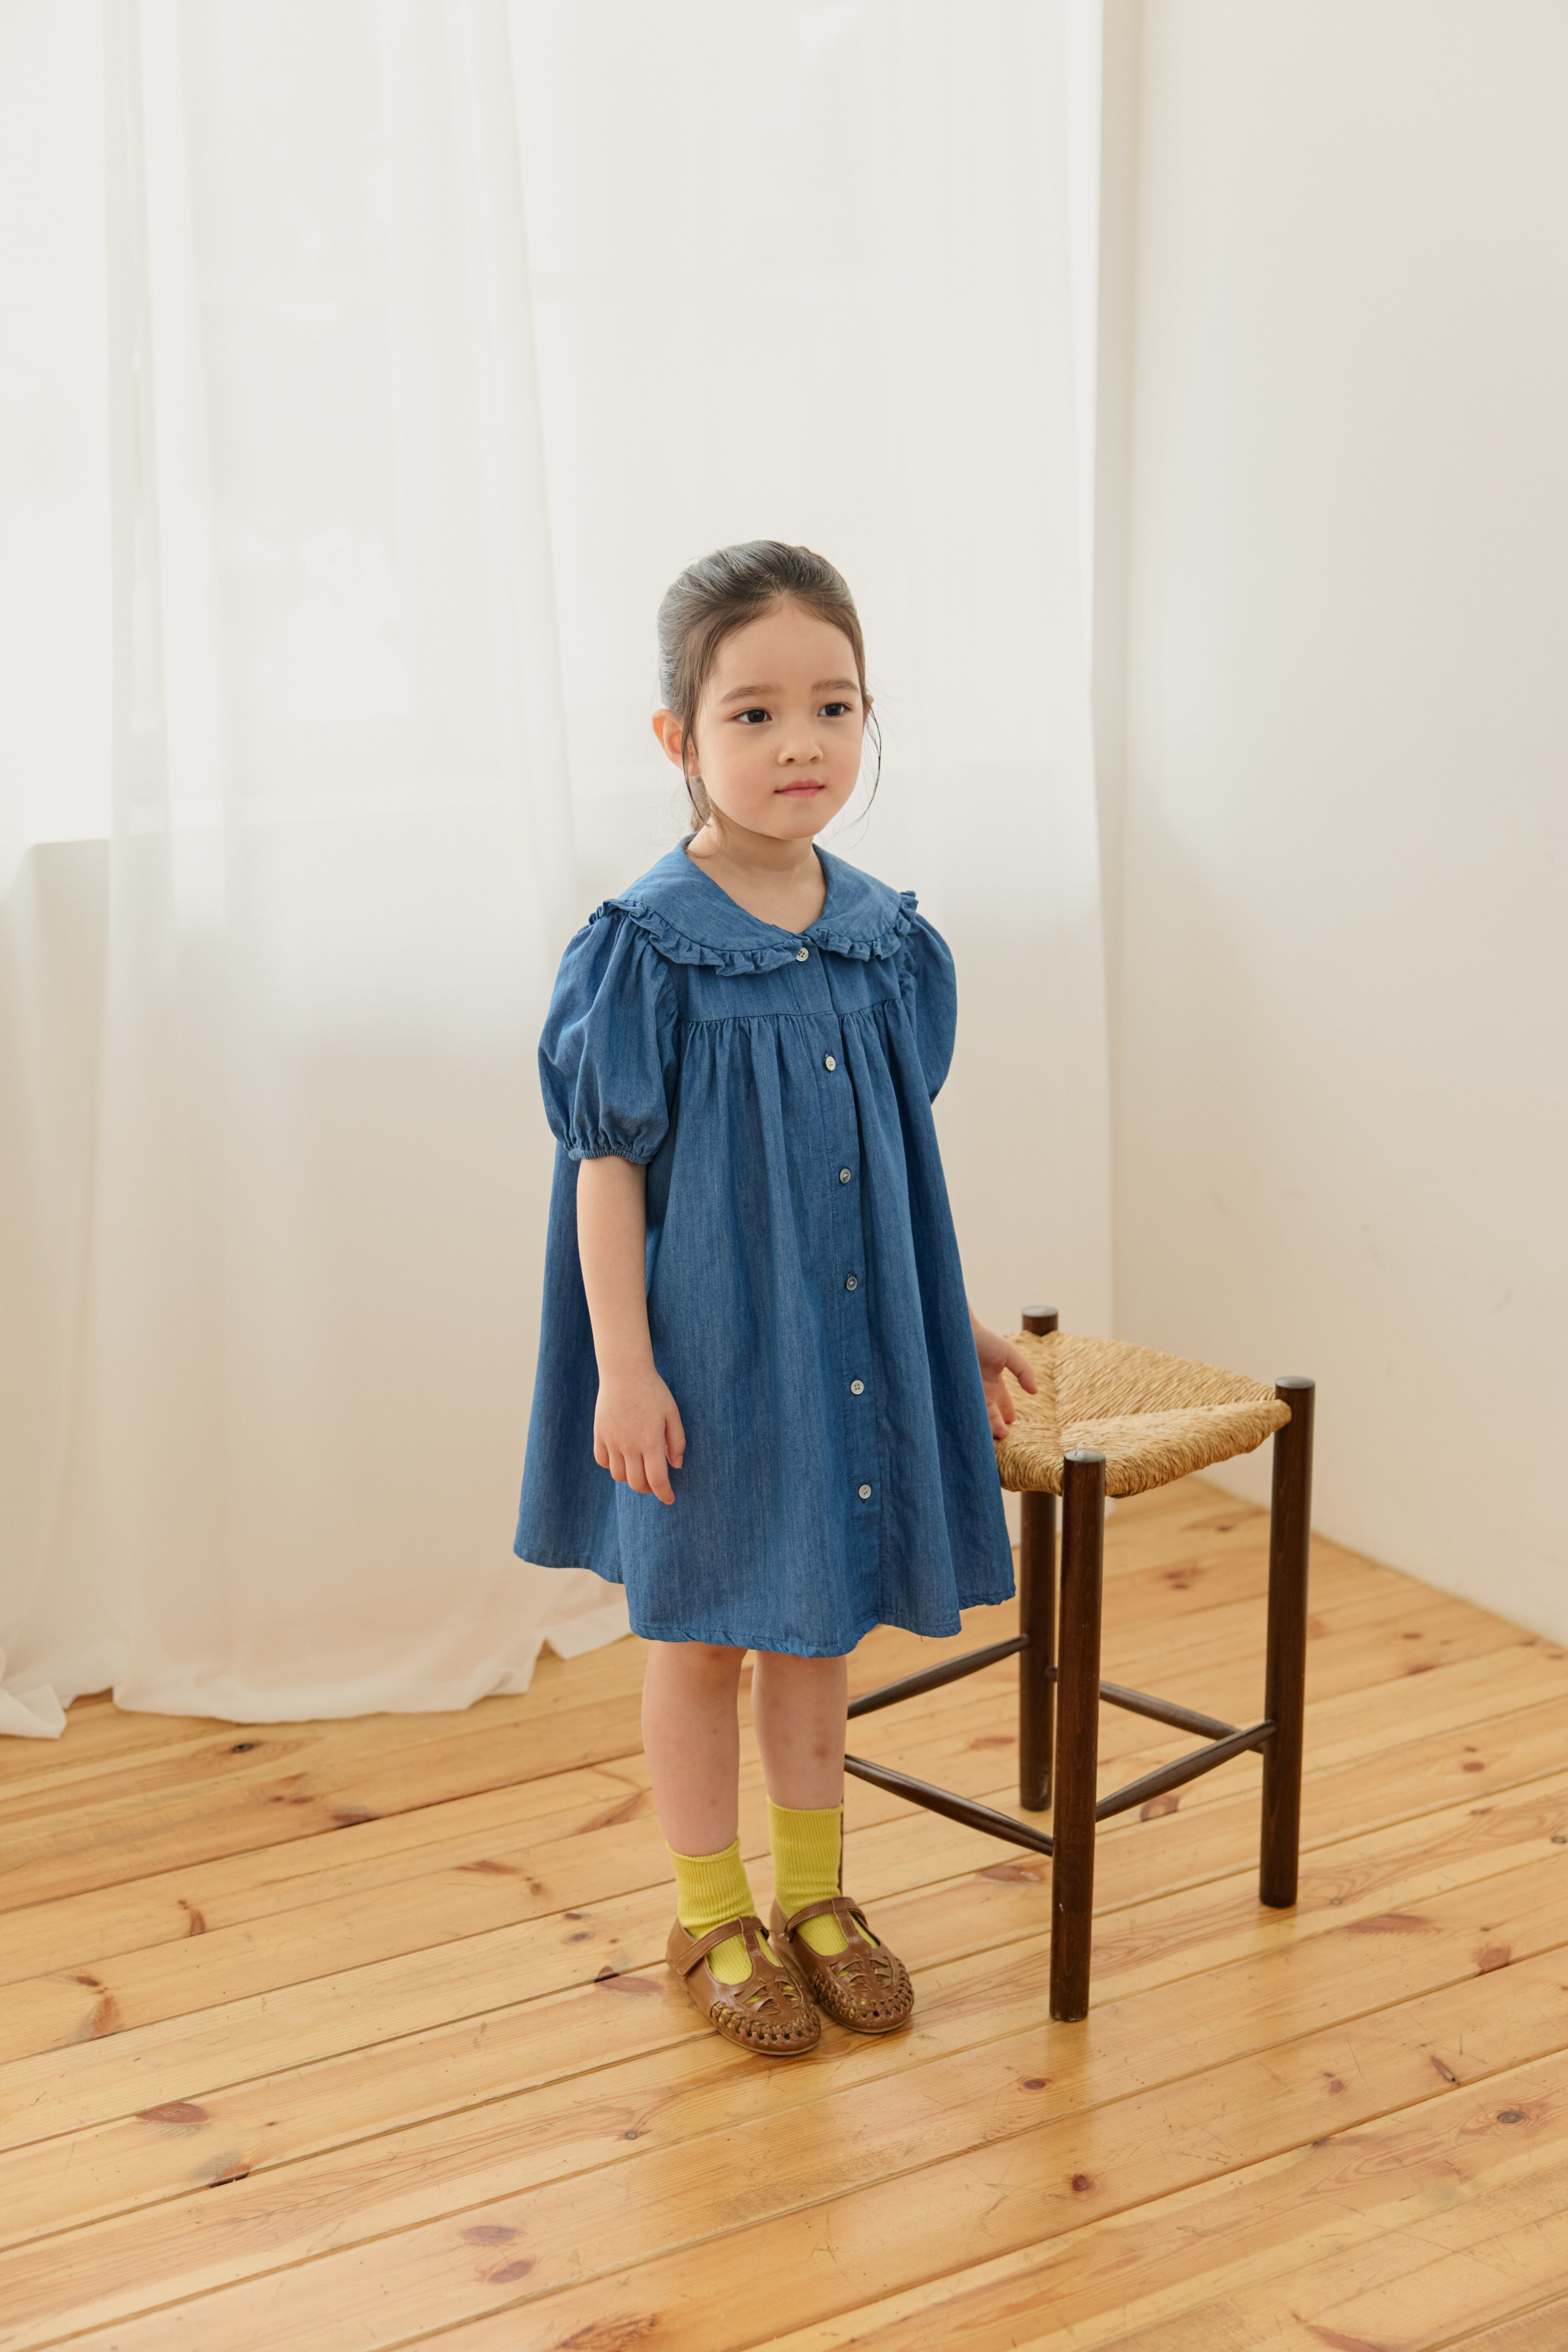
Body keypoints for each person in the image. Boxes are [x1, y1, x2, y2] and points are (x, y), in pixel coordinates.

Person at [516, 540, 1037, 2059]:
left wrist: (947, 1318)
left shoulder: (886, 939)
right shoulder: (645, 947)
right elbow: (603, 1172)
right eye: (753, 713)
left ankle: (816, 1898)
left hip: (849, 1343)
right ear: (678, 737)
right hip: (708, 1352)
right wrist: (625, 1367)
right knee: (702, 1636)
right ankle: (709, 1913)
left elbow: (888, 1172)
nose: (801, 742)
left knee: (818, 1630)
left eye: (834, 706)